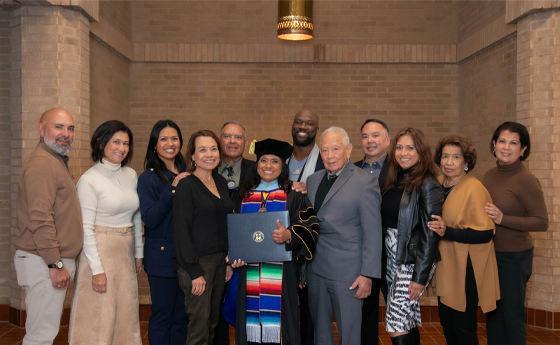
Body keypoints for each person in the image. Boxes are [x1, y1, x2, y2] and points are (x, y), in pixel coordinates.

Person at [229, 138, 319, 345]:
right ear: (256, 164)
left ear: (283, 166)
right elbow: (232, 234)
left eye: (275, 161)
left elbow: (312, 228)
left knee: (283, 330)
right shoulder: (242, 196)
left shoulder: (293, 196)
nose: (268, 166)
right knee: (248, 326)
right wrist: (233, 257)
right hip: (247, 274)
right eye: (263, 161)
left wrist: (290, 235)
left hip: (282, 275)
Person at [68, 120, 144, 344]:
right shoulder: (89, 180)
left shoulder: (130, 175)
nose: (121, 148)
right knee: (98, 316)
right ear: (101, 143)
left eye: (126, 143)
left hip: (125, 252)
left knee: (125, 313)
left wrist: (138, 253)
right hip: (100, 252)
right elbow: (86, 228)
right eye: (116, 142)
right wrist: (97, 270)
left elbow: (136, 215)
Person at [306, 126, 382, 345]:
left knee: (349, 334)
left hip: (348, 273)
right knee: (320, 332)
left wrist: (367, 274)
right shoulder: (313, 180)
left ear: (348, 150)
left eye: (335, 149)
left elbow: (373, 232)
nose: (329, 156)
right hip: (316, 269)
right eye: (325, 150)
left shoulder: (364, 181)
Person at [14, 108, 82, 345]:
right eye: (59, 127)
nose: (66, 133)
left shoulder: (55, 161)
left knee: (44, 330)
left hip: (48, 261)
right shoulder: (43, 164)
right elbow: (40, 218)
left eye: (70, 128)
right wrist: (55, 263)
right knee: (41, 334)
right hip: (44, 262)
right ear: (42, 130)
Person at [428, 135, 499, 345]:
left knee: (463, 327)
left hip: (466, 268)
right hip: (446, 264)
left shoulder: (474, 188)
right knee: (447, 323)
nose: (448, 162)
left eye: (456, 157)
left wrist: (447, 232)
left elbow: (485, 233)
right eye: (445, 156)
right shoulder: (439, 183)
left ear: (466, 162)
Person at [483, 122, 548, 345]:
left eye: (514, 143)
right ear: (494, 144)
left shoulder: (526, 179)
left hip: (514, 258)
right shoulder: (489, 175)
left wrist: (503, 219)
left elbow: (541, 222)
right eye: (502, 141)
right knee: (493, 316)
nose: (506, 147)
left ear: (523, 149)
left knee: (512, 319)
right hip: (491, 255)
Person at [381, 127, 443, 345]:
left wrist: (420, 277)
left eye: (410, 148)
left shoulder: (428, 184)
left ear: (421, 152)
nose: (403, 153)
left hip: (411, 261)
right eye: (399, 147)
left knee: (396, 323)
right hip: (392, 257)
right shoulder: (395, 179)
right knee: (405, 319)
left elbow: (431, 234)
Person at [173, 130, 235, 345]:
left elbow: (223, 224)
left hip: (219, 263)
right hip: (197, 265)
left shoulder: (220, 182)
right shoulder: (186, 185)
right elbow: (181, 230)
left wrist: (227, 261)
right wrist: (193, 272)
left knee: (211, 324)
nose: (209, 154)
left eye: (213, 148)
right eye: (202, 149)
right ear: (192, 155)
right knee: (198, 328)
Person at [138, 120, 190, 345]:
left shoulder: (188, 172)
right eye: (164, 139)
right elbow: (150, 218)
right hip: (161, 258)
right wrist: (173, 188)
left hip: (186, 256)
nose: (170, 143)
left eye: (174, 138)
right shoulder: (148, 178)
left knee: (181, 317)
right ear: (154, 145)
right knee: (163, 317)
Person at [354, 118, 391, 345]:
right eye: (365, 136)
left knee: (399, 319)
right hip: (362, 254)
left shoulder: (400, 170)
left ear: (387, 139)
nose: (370, 141)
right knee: (364, 315)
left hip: (392, 254)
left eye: (376, 135)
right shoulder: (352, 169)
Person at [218, 121, 256, 209]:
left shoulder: (256, 170)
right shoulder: (209, 170)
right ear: (219, 141)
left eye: (238, 137)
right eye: (227, 136)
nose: (232, 141)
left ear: (245, 143)